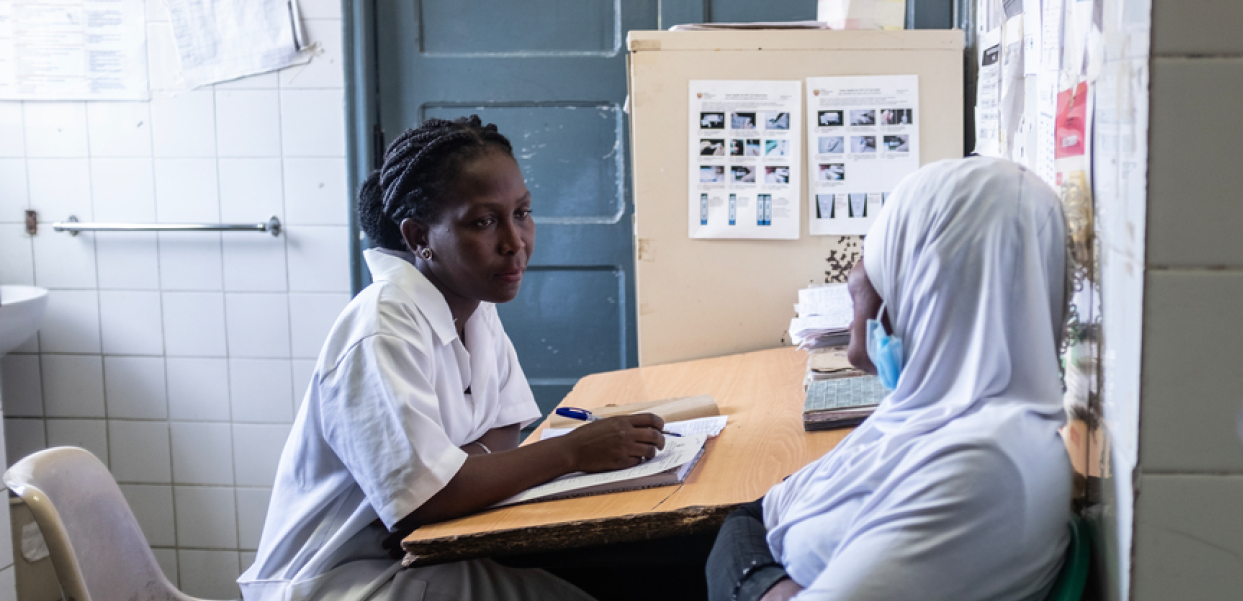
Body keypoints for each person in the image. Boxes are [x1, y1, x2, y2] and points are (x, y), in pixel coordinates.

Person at [239, 116, 670, 601]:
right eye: (484, 222)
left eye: (522, 212)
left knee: (638, 568)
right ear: (419, 236)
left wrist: (463, 471)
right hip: (348, 581)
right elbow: (427, 499)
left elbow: (506, 430)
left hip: (437, 549)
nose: (515, 242)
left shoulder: (474, 307)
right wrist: (571, 452)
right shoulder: (382, 328)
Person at [706, 157, 1073, 601]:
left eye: (868, 282)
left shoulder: (983, 465)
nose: (861, 297)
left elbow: (747, 530)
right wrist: (767, 586)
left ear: (926, 291)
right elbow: (750, 517)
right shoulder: (924, 416)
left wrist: (752, 581)